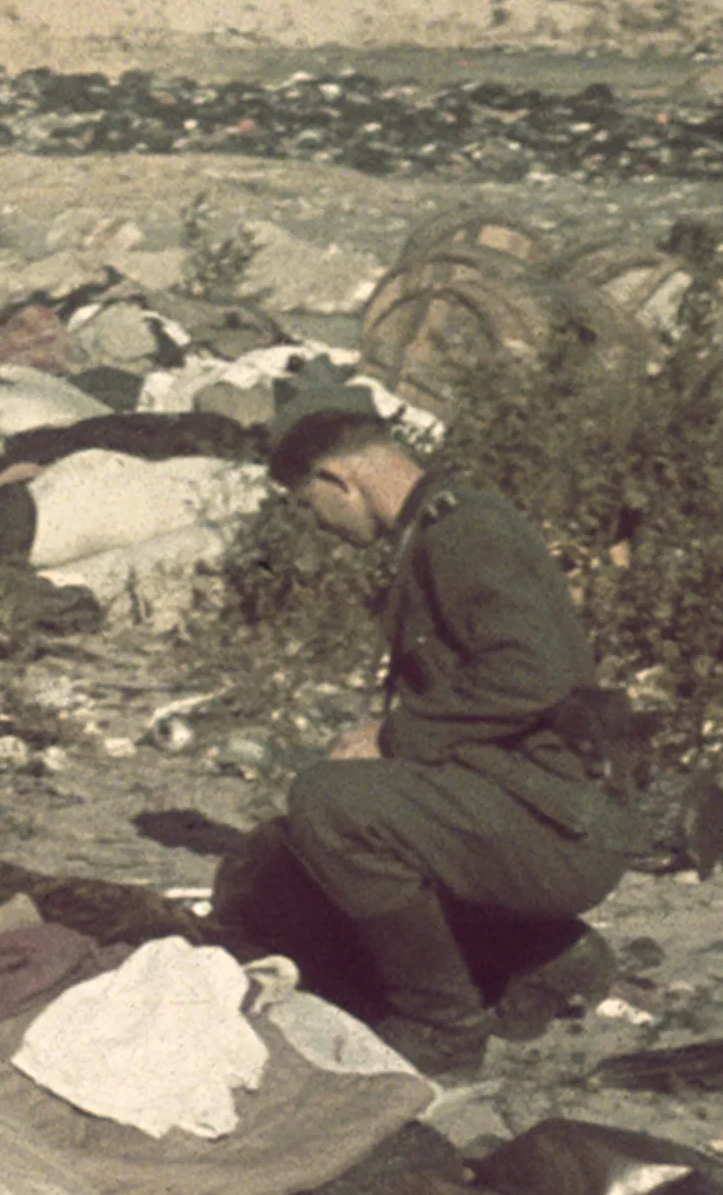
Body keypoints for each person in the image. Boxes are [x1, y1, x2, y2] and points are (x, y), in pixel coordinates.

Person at [216, 379, 635, 1076]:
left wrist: (392, 737)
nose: (318, 524)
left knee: (331, 805)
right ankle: (542, 957)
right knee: (318, 836)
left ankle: (441, 1026)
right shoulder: (443, 528)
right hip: (540, 809)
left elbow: (535, 676)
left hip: (564, 827)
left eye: (308, 504)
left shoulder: (463, 532)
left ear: (337, 478)